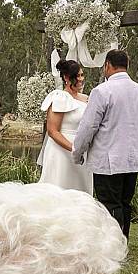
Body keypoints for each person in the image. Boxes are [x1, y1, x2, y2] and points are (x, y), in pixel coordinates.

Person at [72, 50, 138, 237]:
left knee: (109, 204)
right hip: (133, 159)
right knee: (125, 203)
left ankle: (112, 243)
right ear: (126, 65)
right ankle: (123, 240)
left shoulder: (102, 91)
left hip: (107, 159)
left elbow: (88, 126)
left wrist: (78, 152)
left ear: (107, 65)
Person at [36, 59, 92, 194]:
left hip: (82, 151)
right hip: (61, 152)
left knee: (80, 190)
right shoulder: (59, 97)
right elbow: (52, 131)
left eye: (82, 75)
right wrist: (74, 149)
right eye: (76, 76)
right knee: (59, 189)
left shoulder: (87, 98)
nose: (81, 79)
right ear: (66, 78)